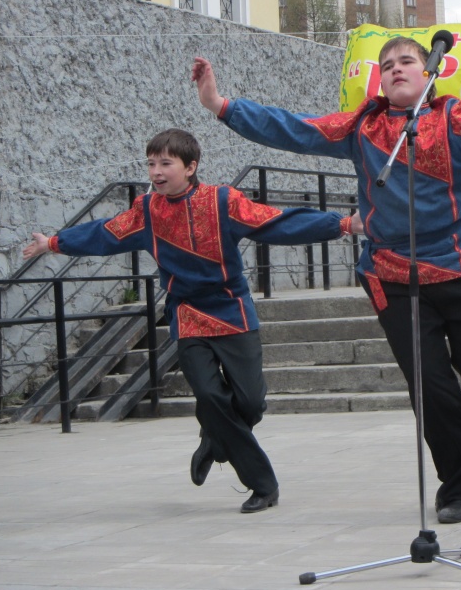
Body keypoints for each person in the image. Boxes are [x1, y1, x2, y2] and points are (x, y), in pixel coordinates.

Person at [191, 42, 461, 523]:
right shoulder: (362, 127)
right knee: (431, 387)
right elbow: (295, 128)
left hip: (460, 266)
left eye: (406, 62)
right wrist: (220, 105)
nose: (395, 70)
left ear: (428, 71)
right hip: (392, 275)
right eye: (386, 67)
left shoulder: (455, 121)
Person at [23, 128, 360, 514]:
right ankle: (263, 485)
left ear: (190, 167)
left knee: (252, 404)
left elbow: (276, 222)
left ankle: (214, 439)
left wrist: (341, 224)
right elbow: (104, 234)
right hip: (188, 314)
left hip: (232, 309)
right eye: (151, 163)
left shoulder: (222, 201)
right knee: (211, 397)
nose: (156, 171)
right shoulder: (146, 211)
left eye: (165, 163)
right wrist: (54, 243)